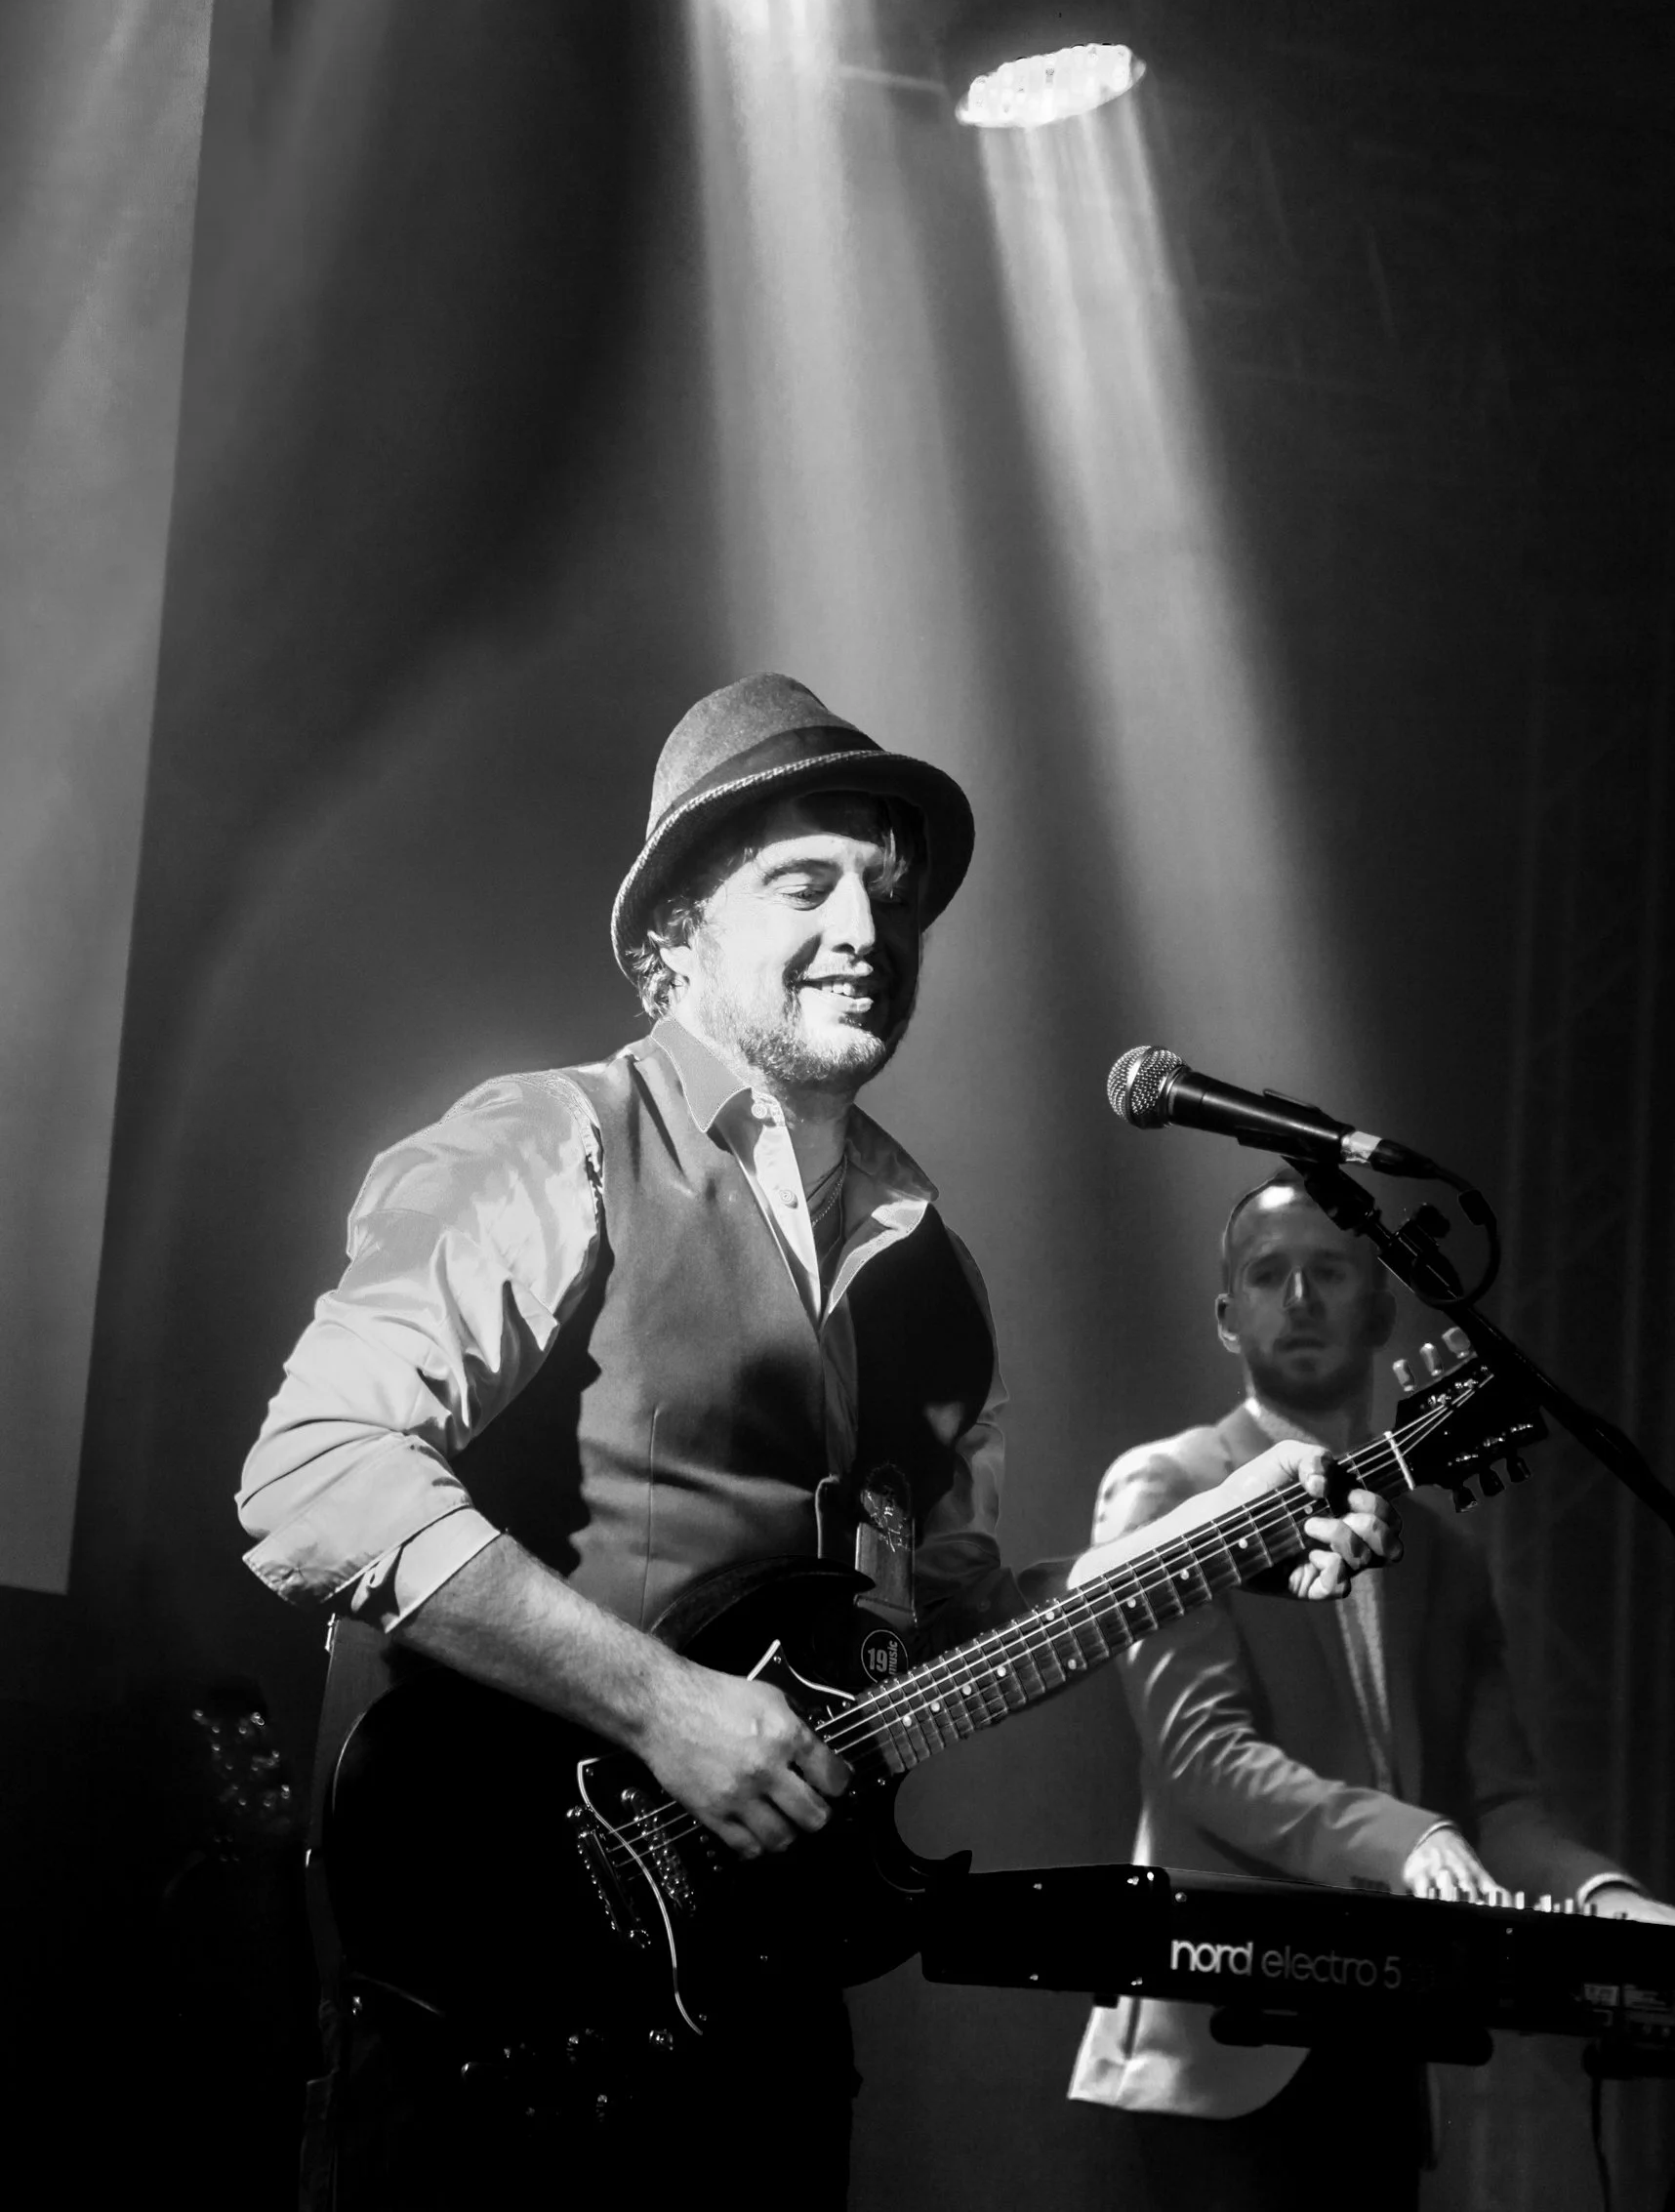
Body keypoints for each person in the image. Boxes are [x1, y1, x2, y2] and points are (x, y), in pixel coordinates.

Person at [237, 676, 1399, 2209]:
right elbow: (312, 1473)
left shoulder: (939, 1285)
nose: (868, 926)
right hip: (490, 2021)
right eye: (807, 882)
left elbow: (935, 1640)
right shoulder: (554, 1138)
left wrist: (1213, 1541)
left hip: (763, 2046)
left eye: (890, 893)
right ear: (672, 938)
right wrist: (663, 1708)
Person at [1068, 1163, 1675, 2212]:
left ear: (1386, 1303)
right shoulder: (1168, 1485)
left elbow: (1498, 1805)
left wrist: (1604, 1898)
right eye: (1267, 1274)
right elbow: (1204, 1756)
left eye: (1328, 1271)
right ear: (1225, 1317)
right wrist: (1407, 1837)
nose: (1298, 1298)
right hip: (1211, 2053)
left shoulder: (1443, 1552)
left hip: (1385, 2051)